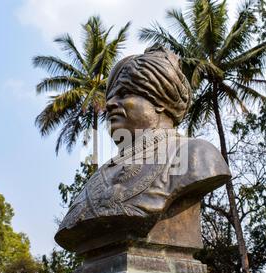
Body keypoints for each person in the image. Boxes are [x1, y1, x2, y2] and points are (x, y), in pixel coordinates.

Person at [55, 46, 230, 253]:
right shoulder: (100, 175)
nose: (110, 104)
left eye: (124, 93)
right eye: (110, 96)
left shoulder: (198, 155)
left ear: (161, 101)